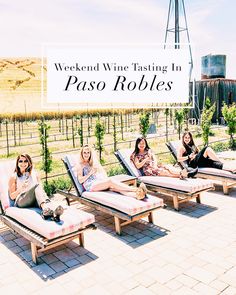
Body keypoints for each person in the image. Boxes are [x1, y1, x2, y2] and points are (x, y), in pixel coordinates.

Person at [76, 145, 148, 200]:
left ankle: (137, 195)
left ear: (90, 154)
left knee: (115, 188)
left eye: (88, 153)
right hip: (90, 185)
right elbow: (80, 180)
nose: (86, 154)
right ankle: (136, 189)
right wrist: (90, 173)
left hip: (97, 182)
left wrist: (101, 176)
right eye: (84, 153)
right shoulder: (80, 165)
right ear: (82, 154)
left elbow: (100, 172)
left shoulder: (91, 162)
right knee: (110, 181)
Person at [8, 154, 64, 222]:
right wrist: (21, 189)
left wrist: (46, 199)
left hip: (33, 200)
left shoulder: (35, 174)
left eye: (26, 161)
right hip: (21, 201)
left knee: (41, 194)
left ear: (29, 163)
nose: (23, 163)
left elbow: (41, 190)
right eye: (20, 161)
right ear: (17, 163)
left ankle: (54, 214)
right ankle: (46, 210)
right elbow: (12, 197)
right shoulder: (14, 176)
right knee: (37, 186)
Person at [131, 137, 198, 179]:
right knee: (164, 172)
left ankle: (183, 174)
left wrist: (155, 165)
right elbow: (138, 166)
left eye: (143, 143)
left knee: (168, 167)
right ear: (137, 144)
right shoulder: (135, 155)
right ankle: (185, 174)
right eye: (140, 143)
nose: (142, 145)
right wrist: (146, 159)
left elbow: (154, 159)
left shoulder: (148, 150)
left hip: (155, 167)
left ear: (146, 144)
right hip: (148, 170)